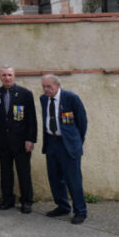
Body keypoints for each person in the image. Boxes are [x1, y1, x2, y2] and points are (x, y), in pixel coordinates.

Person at [40, 74, 88, 224]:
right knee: (55, 178)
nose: (46, 90)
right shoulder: (43, 99)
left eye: (49, 86)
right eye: (44, 87)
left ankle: (80, 211)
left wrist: (77, 142)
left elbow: (82, 121)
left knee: (73, 180)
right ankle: (62, 206)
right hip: (51, 143)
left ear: (58, 85)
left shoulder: (71, 98)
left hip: (68, 144)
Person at [0, 66, 37, 214]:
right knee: (5, 172)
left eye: (9, 75)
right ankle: (8, 199)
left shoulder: (25, 94)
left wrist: (30, 139)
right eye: (4, 75)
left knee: (24, 172)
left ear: (14, 76)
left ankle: (26, 201)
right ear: (0, 77)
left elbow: (31, 119)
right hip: (2, 142)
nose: (7, 78)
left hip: (21, 142)